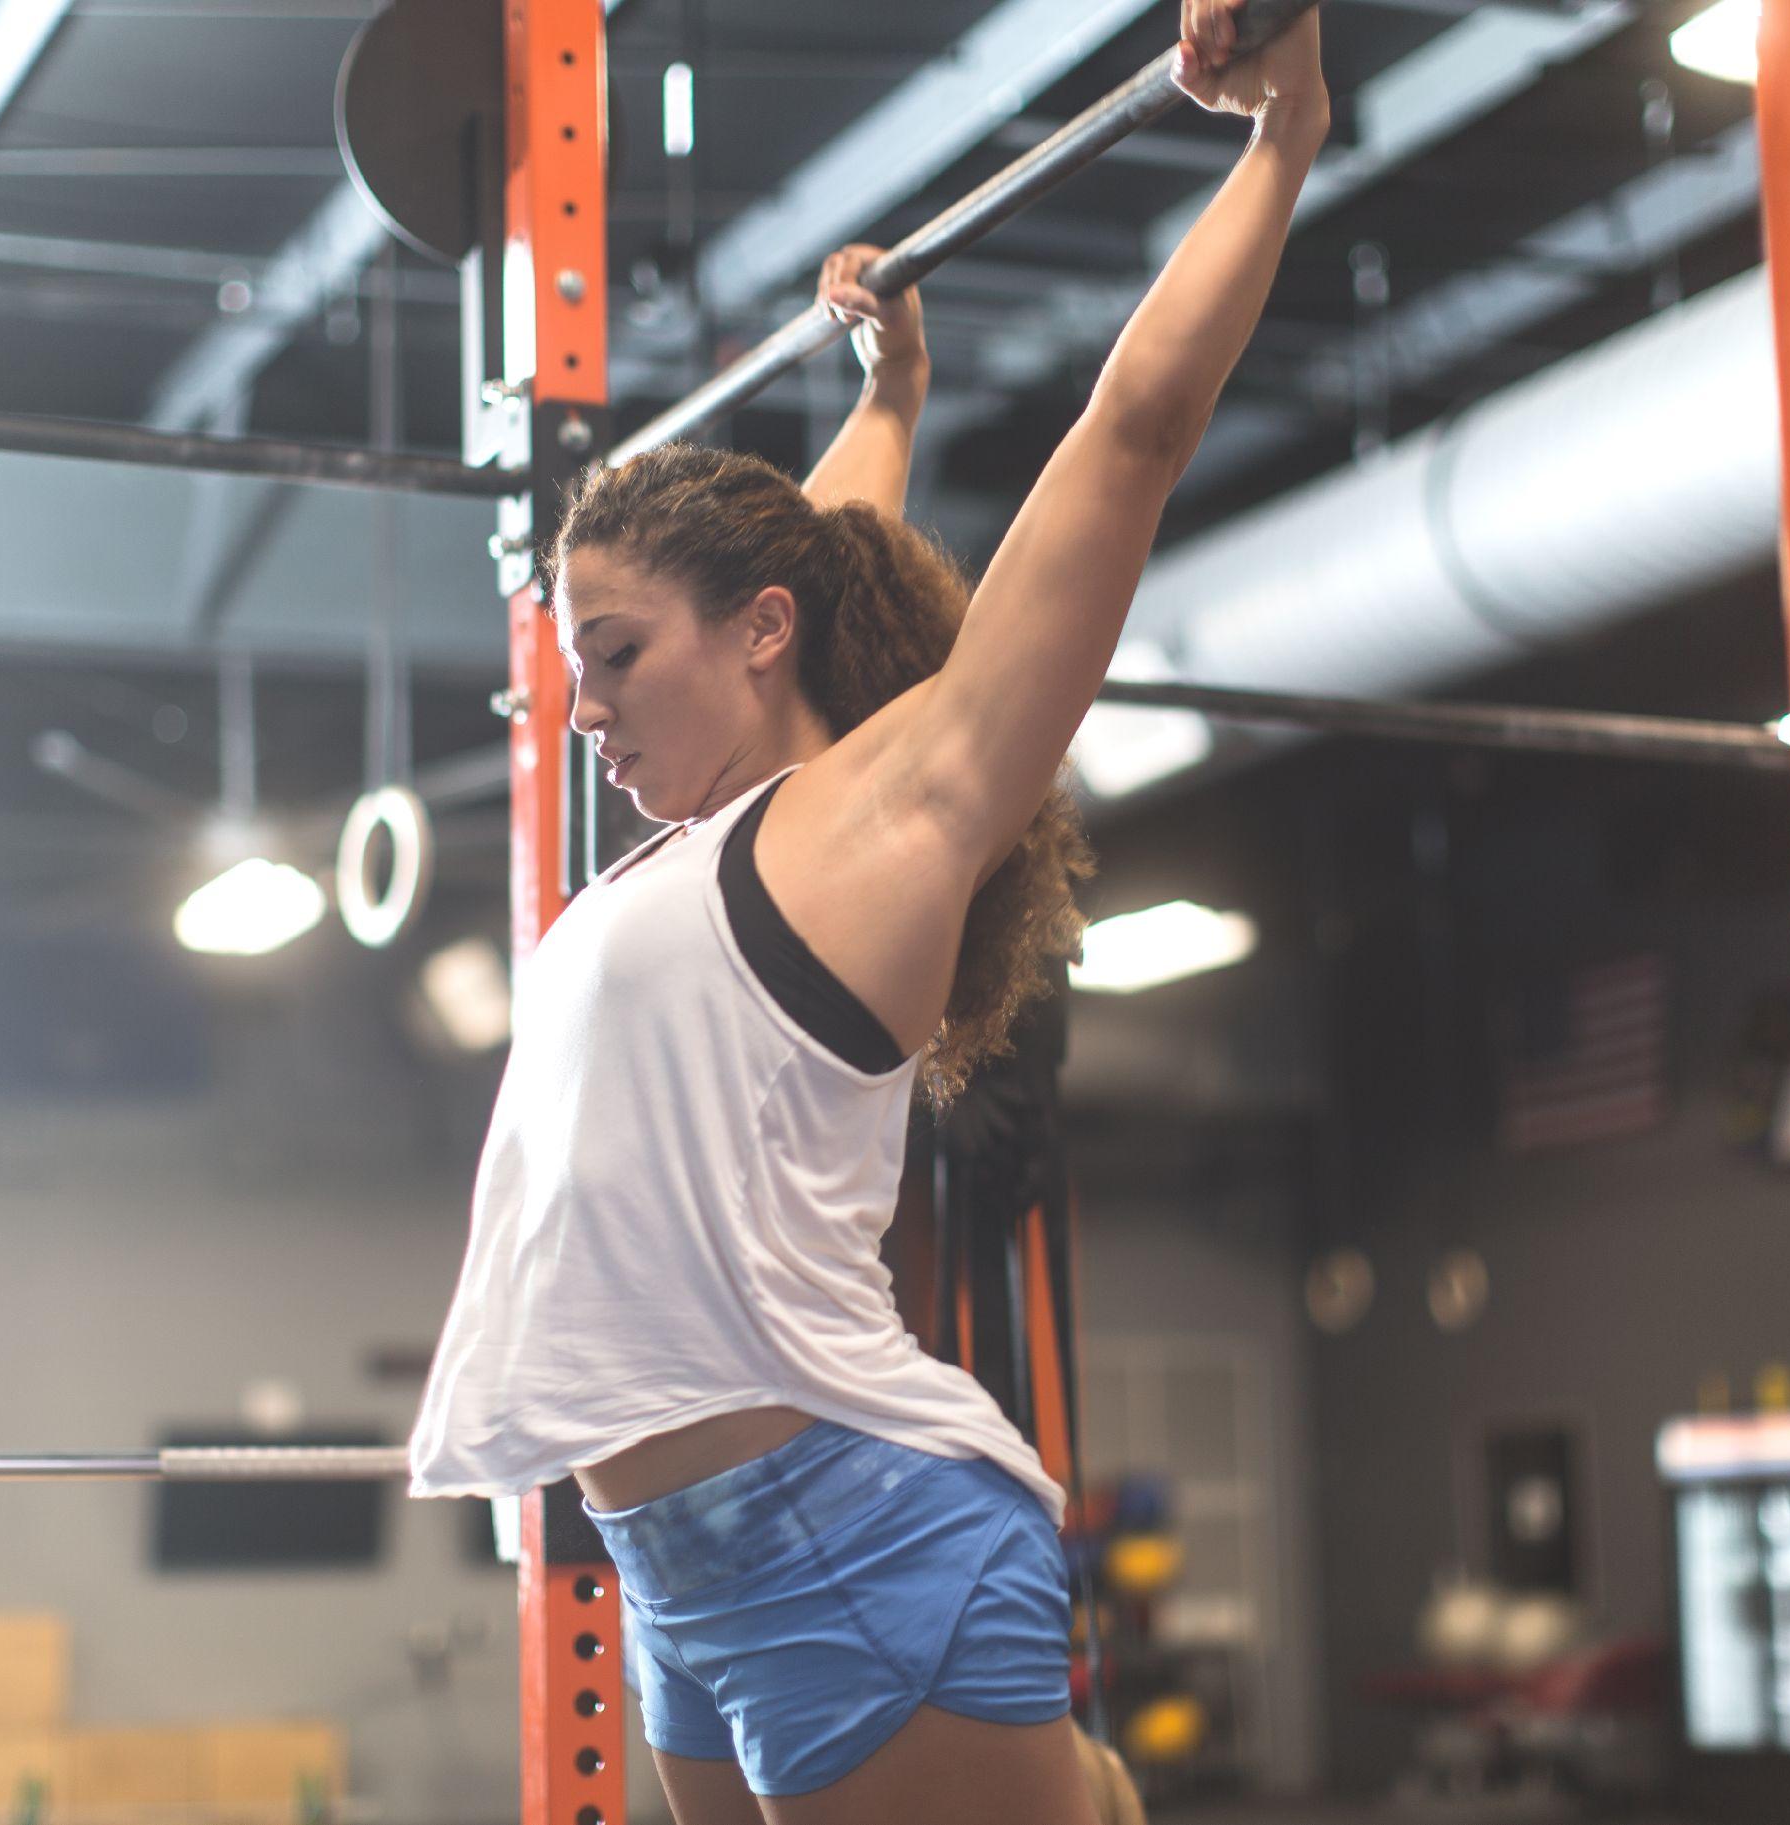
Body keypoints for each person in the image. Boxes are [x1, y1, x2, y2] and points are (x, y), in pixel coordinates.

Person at [408, 5, 1328, 1818]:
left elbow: (1131, 433)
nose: (581, 715)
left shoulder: (891, 820)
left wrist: (1276, 136)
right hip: (671, 1558)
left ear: (752, 637)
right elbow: (815, 556)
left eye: (612, 659)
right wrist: (885, 393)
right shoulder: (704, 840)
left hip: (849, 1525)